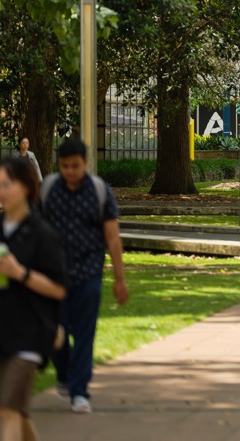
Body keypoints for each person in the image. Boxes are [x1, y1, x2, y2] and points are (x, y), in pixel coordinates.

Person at [40, 136, 129, 414]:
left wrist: (119, 277)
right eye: (65, 166)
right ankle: (65, 374)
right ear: (59, 165)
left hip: (89, 273)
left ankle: (80, 391)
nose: (70, 172)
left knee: (84, 333)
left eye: (75, 166)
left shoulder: (100, 191)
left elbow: (112, 237)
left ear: (86, 163)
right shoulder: (49, 189)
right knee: (55, 332)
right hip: (53, 274)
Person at [0, 155, 66, 437]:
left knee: (7, 410)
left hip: (30, 334)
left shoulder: (42, 234)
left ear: (27, 186)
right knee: (15, 411)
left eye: (7, 184)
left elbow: (59, 288)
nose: (1, 190)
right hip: (2, 332)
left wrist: (21, 273)